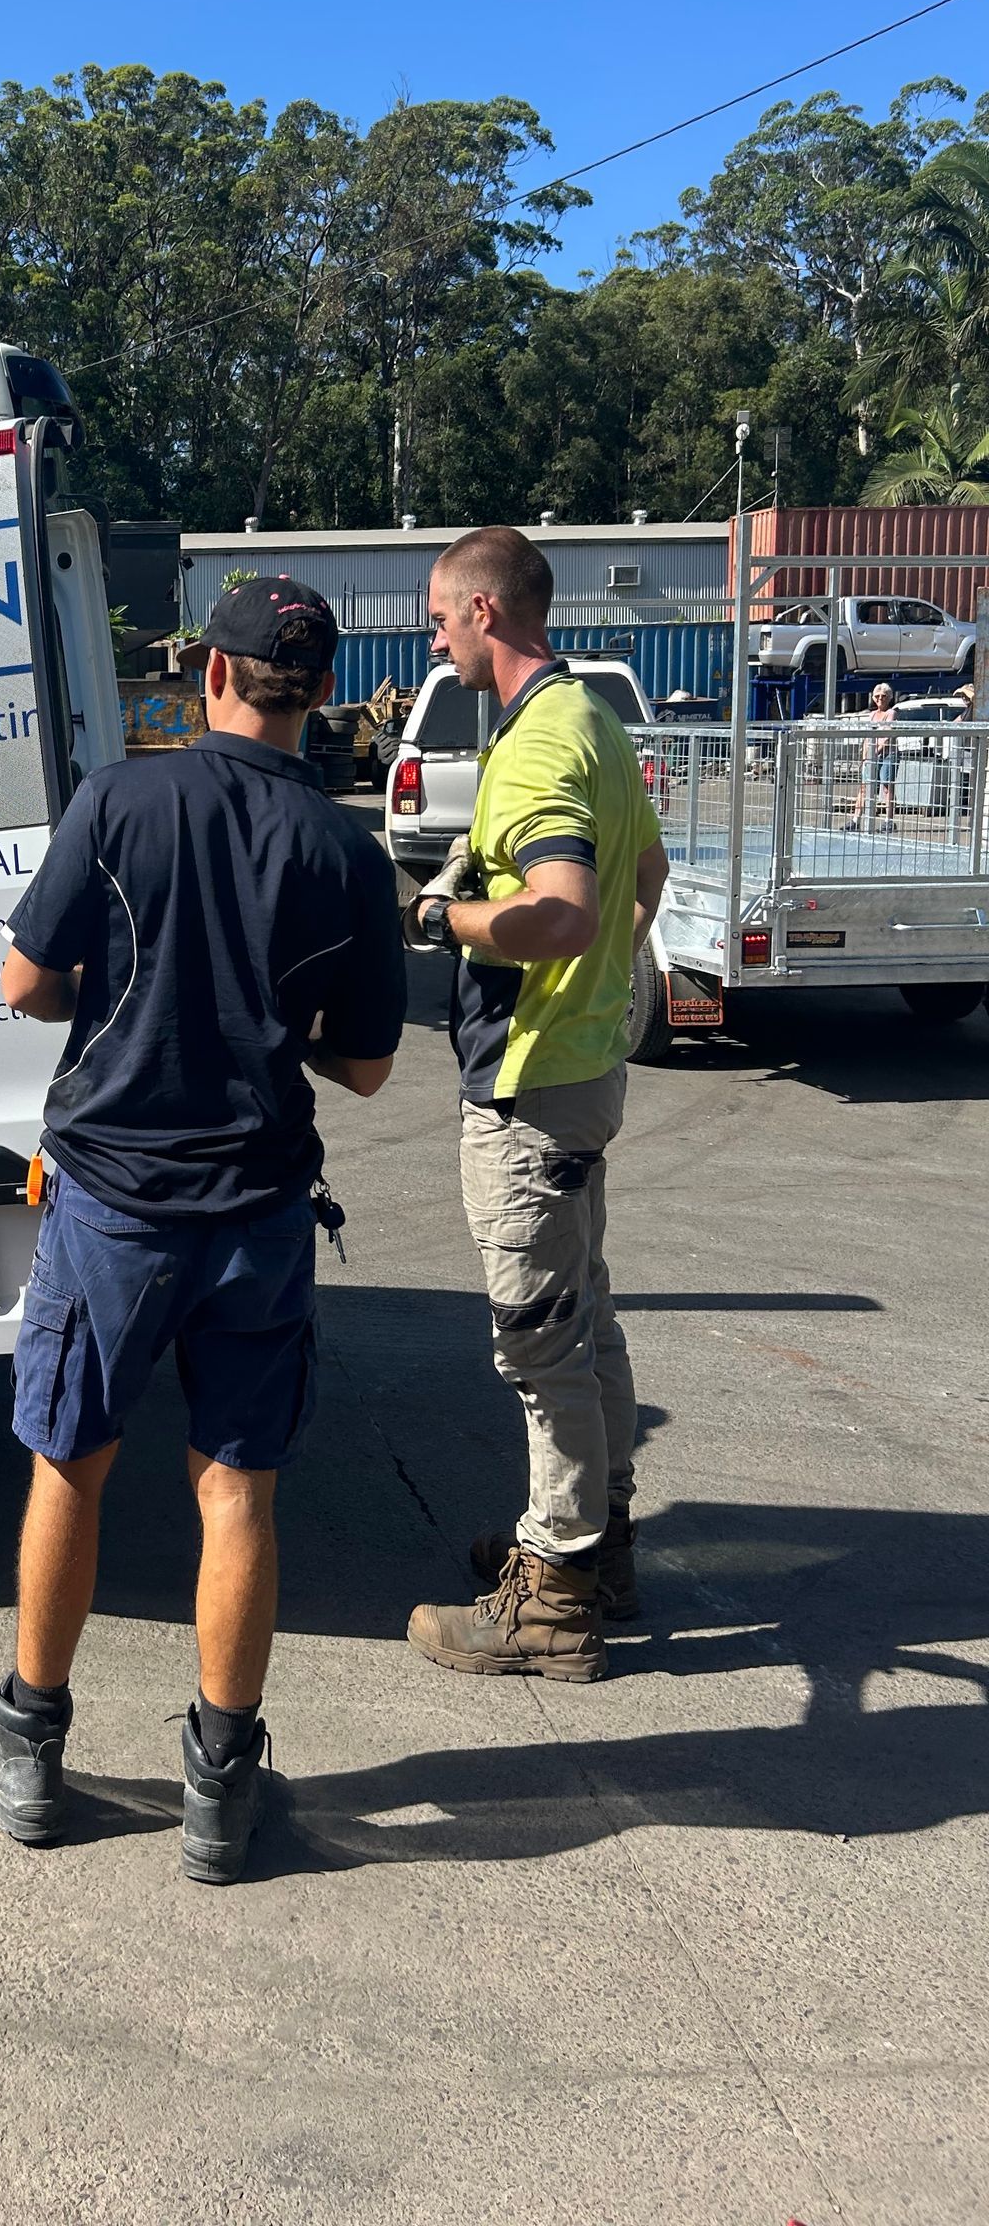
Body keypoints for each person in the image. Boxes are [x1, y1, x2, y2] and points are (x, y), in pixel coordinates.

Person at [0, 576, 406, 1883]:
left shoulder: (122, 800)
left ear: (210, 672)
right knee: (237, 1489)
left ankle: (26, 1744)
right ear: (316, 696)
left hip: (114, 1208)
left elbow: (27, 982)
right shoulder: (346, 855)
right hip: (257, 1212)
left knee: (70, 1462)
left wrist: (136, 990)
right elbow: (366, 1066)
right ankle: (221, 1786)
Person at [401, 527, 669, 1686]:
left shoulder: (536, 744)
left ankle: (551, 1595)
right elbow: (643, 879)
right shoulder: (594, 725)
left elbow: (560, 908)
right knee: (585, 1316)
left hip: (530, 1084)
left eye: (439, 615)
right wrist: (602, 985)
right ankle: (596, 1545)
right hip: (585, 1067)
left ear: (486, 613)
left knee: (536, 1344)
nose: (432, 633)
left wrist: (442, 921)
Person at [848, 681, 898, 831]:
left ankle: (888, 820)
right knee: (864, 787)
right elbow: (867, 737)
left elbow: (888, 734)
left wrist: (877, 750)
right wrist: (865, 755)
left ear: (889, 697)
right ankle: (855, 820)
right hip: (871, 755)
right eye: (877, 696)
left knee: (886, 786)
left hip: (887, 754)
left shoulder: (891, 713)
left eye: (883, 696)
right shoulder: (872, 714)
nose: (880, 698)